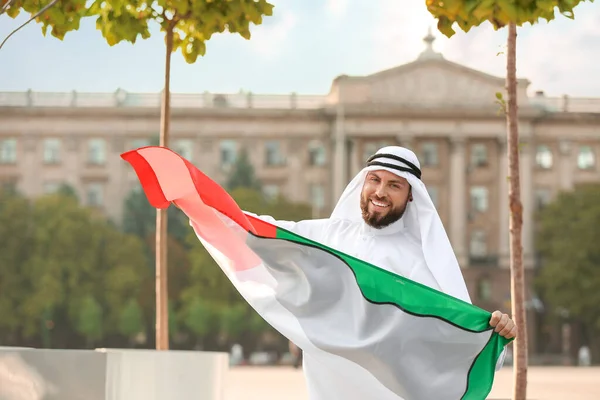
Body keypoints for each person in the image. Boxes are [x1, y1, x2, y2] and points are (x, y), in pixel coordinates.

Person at [248, 146, 516, 396]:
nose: (380, 192)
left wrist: (496, 333)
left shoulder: (422, 263)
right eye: (374, 180)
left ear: (411, 195)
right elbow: (263, 233)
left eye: (394, 185)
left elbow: (456, 337)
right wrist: (212, 207)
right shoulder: (328, 237)